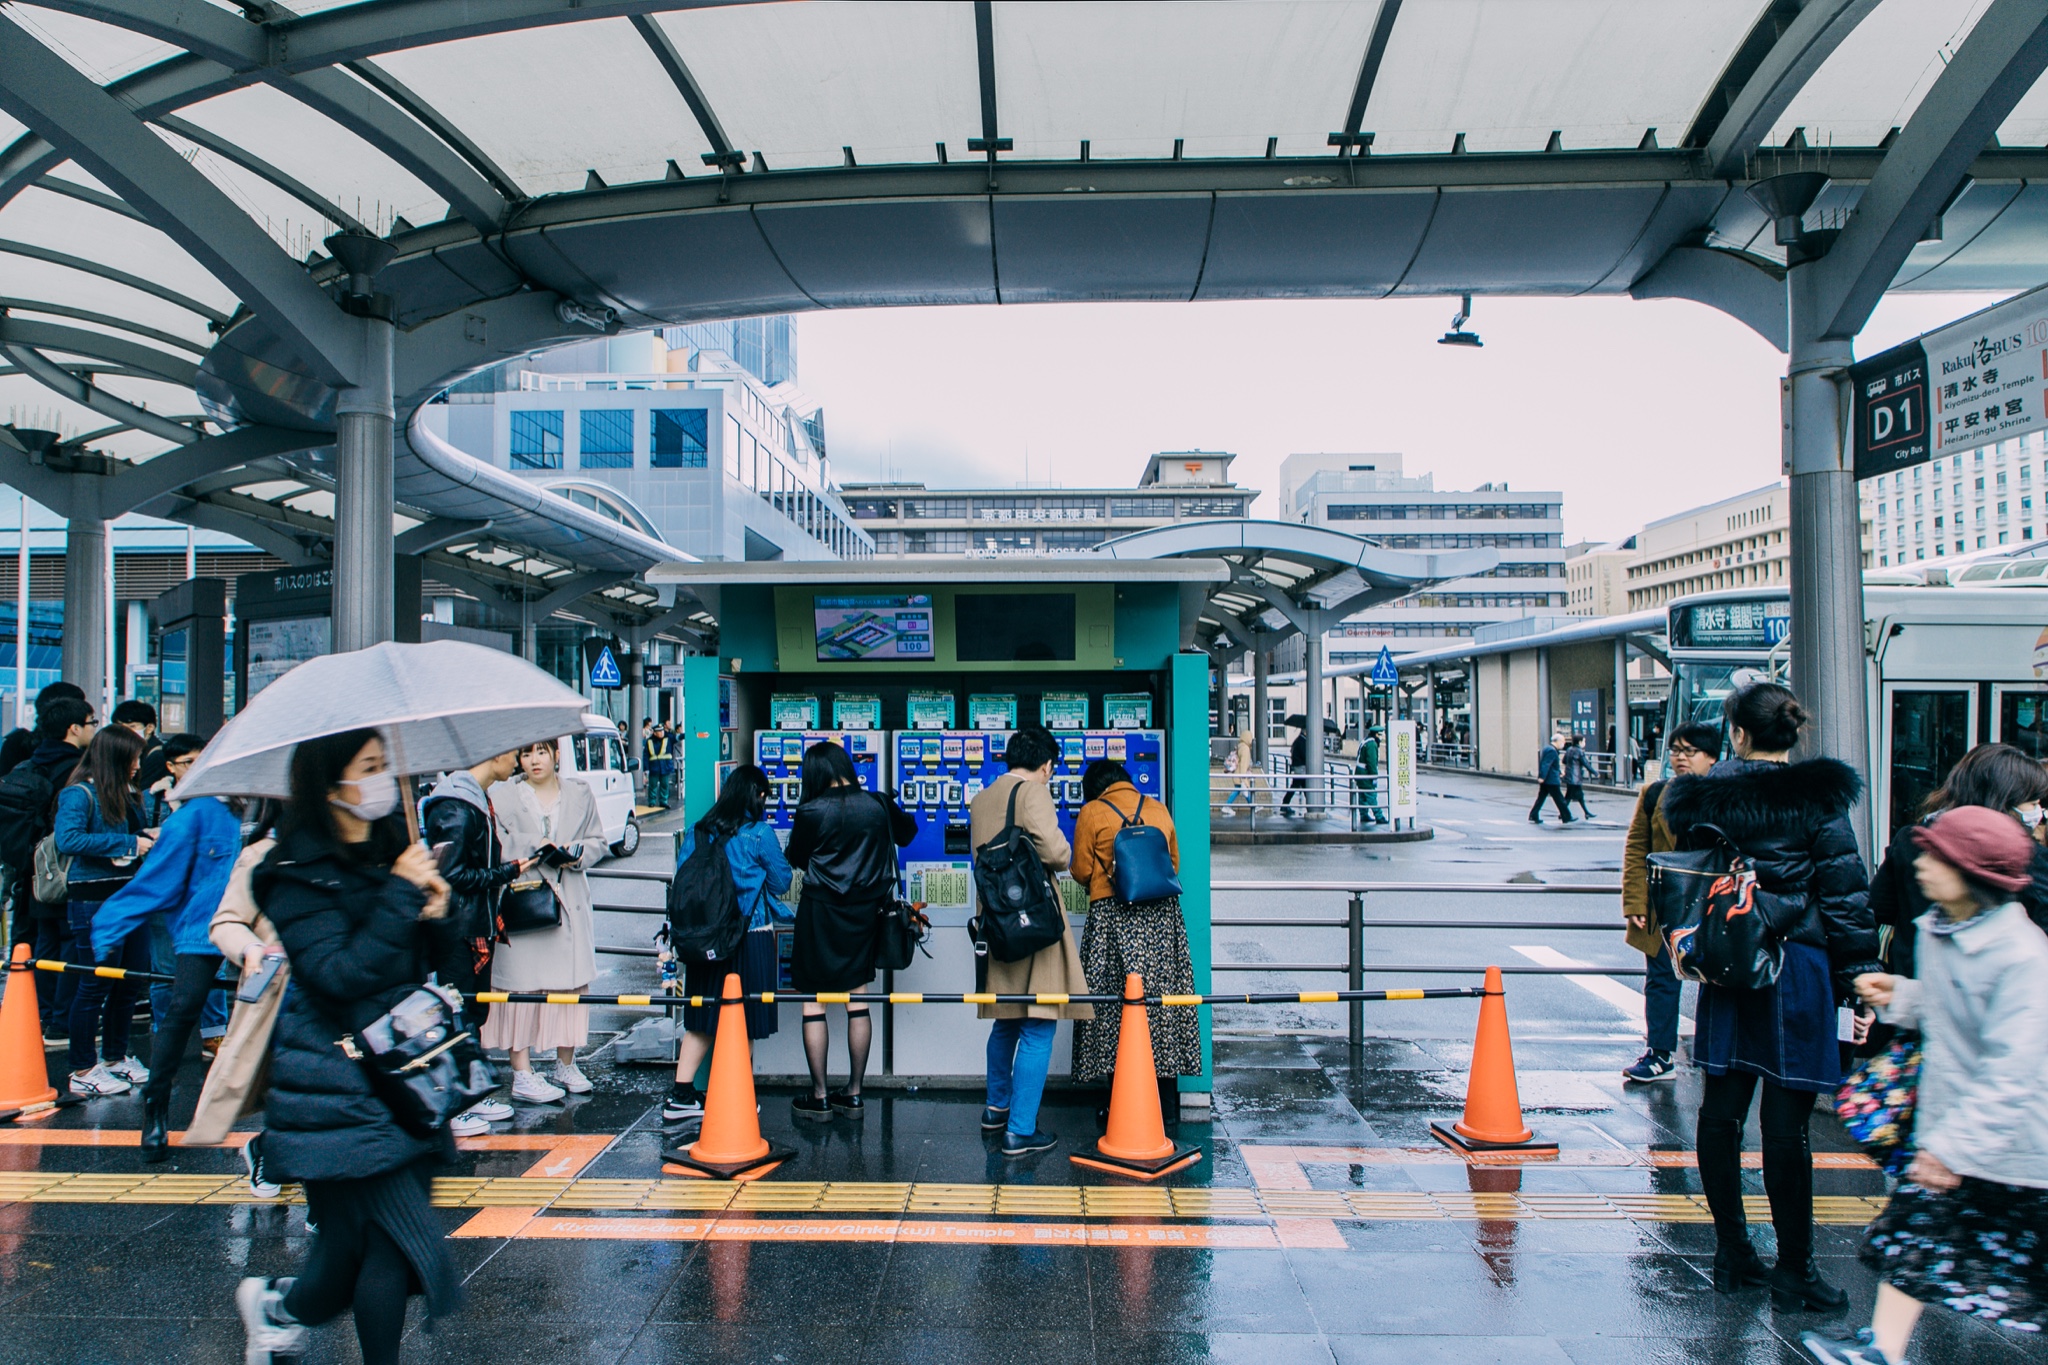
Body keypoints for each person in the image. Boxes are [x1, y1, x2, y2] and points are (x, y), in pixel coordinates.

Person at [233, 728, 459, 1365]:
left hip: (406, 1080)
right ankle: (283, 1310)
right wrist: (400, 893)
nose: (384, 778)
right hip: (336, 1086)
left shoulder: (393, 850)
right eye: (370, 766)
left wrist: (440, 910)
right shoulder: (292, 872)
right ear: (331, 784)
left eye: (386, 763)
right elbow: (337, 975)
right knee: (389, 1248)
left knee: (349, 1257)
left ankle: (278, 1306)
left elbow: (434, 965)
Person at [1661, 682, 1881, 1309]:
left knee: (1721, 1113)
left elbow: (1692, 876)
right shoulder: (1818, 800)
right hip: (1799, 969)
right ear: (1793, 734)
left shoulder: (1703, 798)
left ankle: (1733, 1253)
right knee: (1786, 1129)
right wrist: (1858, 978)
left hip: (1731, 966)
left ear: (1737, 733)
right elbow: (1845, 894)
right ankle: (1796, 1269)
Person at [1802, 807, 2048, 1365]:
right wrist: (1903, 997)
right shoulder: (1944, 926)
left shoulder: (2023, 955)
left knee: (2025, 1276)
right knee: (1911, 1240)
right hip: (1959, 1134)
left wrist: (1952, 1147)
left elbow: (2014, 1067)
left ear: (1975, 873)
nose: (1922, 864)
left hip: (2016, 1148)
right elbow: (1949, 1010)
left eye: (1939, 856)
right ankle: (1883, 1351)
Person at [88, 782, 239, 1158]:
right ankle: (155, 1107)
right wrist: (110, 927)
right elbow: (157, 878)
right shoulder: (198, 814)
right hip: (206, 924)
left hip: (267, 925)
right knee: (184, 1005)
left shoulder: (276, 809)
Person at [969, 726, 1094, 1157]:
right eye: (1051, 770)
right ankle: (1020, 1130)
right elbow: (1058, 854)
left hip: (998, 920)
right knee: (1039, 1021)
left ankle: (995, 1110)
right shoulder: (1034, 791)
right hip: (1033, 921)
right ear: (1046, 764)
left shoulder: (982, 797)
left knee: (1005, 1018)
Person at [784, 741, 914, 1120]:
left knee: (814, 1001)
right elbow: (907, 833)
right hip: (865, 914)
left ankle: (820, 1095)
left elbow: (796, 858)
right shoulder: (876, 804)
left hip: (820, 913)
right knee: (858, 999)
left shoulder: (811, 810)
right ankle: (854, 1094)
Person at [663, 764, 790, 1123]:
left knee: (702, 1019)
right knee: (743, 1020)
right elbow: (781, 881)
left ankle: (680, 1097)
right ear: (758, 795)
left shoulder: (698, 831)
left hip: (705, 939)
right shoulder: (759, 833)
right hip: (749, 938)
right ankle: (738, 1098)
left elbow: (684, 881)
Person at [483, 738, 607, 1103]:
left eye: (541, 751)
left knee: (569, 987)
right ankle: (522, 1071)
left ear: (556, 754)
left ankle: (565, 1063)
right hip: (524, 899)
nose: (534, 760)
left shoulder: (580, 793)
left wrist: (576, 854)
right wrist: (533, 844)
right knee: (519, 988)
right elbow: (498, 843)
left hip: (568, 896)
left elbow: (598, 840)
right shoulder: (502, 796)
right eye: (525, 753)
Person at [1070, 759, 1196, 1111]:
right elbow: (1173, 864)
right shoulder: (1157, 807)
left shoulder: (1093, 812)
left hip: (1113, 916)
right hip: (1161, 917)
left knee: (1113, 1007)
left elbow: (1080, 870)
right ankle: (1166, 1108)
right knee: (1162, 1005)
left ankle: (1119, 1107)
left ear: (1094, 788)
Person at [1867, 742, 2048, 980]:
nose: (2040, 812)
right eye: (2033, 803)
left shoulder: (1912, 839)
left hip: (1915, 983)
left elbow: (1877, 909)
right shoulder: (2026, 856)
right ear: (2004, 799)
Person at [422, 751, 534, 1132]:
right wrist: (505, 872)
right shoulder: (456, 805)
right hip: (458, 929)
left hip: (474, 924)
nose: (519, 763)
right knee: (459, 1014)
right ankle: (456, 1105)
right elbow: (451, 876)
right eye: (517, 755)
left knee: (473, 1013)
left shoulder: (474, 799)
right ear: (498, 755)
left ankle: (472, 1095)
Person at [1618, 721, 1721, 1083]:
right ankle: (1660, 1054)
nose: (1680, 758)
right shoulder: (1655, 793)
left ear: (1711, 757)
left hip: (1715, 907)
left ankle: (1719, 1054)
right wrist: (1635, 903)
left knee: (1720, 983)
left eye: (1689, 751)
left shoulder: (1725, 796)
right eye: (1676, 750)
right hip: (1666, 906)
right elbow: (1636, 851)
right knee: (1661, 979)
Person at [57, 723, 156, 1097]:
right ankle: (83, 1067)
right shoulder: (79, 794)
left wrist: (145, 838)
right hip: (94, 899)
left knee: (130, 980)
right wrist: (130, 842)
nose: (137, 765)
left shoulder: (127, 793)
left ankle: (115, 1059)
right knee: (95, 983)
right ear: (115, 757)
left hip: (130, 896)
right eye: (133, 757)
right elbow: (68, 839)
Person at [5, 691, 94, 1031]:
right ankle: (60, 1022)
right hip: (65, 870)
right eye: (90, 724)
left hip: (31, 870)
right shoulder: (75, 770)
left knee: (43, 943)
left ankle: (36, 1015)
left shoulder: (27, 763)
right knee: (71, 944)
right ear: (74, 728)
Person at [1529, 733, 1571, 824]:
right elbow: (1546, 764)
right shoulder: (1552, 751)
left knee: (1541, 798)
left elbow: (1551, 765)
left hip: (1548, 779)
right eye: (1563, 741)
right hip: (1551, 780)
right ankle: (1567, 817)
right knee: (1559, 799)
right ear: (1558, 741)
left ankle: (1533, 814)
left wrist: (1560, 772)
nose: (1564, 743)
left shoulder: (1548, 749)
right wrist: (1542, 777)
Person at [1562, 734, 1595, 819]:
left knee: (1577, 796)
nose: (1585, 743)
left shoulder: (1569, 749)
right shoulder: (1579, 751)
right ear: (1580, 742)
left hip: (1569, 776)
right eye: (1584, 741)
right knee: (1569, 796)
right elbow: (1586, 763)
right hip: (1575, 777)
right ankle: (1563, 813)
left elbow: (1564, 761)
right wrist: (1594, 772)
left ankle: (1586, 812)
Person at [1280, 724, 1311, 816]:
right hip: (1301, 768)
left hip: (1298, 767)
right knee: (1298, 786)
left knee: (1301, 787)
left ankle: (1285, 804)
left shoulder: (1298, 740)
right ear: (1305, 731)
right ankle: (1285, 804)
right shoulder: (1302, 741)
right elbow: (1304, 755)